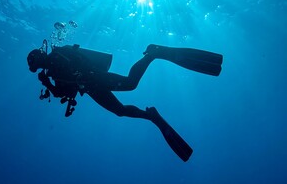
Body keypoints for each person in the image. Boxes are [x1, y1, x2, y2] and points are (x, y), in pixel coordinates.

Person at [27, 41, 223, 162]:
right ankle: (150, 116)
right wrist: (48, 84)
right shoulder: (52, 72)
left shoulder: (57, 55)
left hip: (94, 77)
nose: (38, 67)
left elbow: (76, 67)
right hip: (90, 87)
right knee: (119, 111)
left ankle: (153, 53)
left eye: (36, 63)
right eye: (36, 67)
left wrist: (54, 80)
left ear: (40, 56)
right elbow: (63, 93)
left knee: (130, 83)